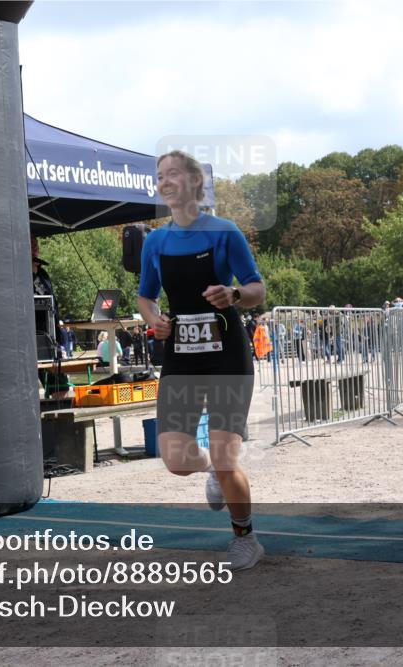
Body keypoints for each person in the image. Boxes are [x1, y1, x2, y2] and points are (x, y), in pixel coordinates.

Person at [138, 150, 266, 571]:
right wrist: (153, 319)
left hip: (227, 354)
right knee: (176, 461)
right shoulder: (155, 241)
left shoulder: (225, 232)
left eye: (173, 173)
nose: (165, 181)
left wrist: (233, 295)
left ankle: (245, 538)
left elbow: (257, 290)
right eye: (160, 176)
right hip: (181, 356)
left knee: (229, 457)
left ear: (197, 183)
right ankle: (210, 468)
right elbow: (146, 296)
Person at [31, 235, 71, 398]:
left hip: (49, 334)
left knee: (60, 387)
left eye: (36, 245)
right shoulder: (18, 272)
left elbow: (51, 300)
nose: (35, 249)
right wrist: (32, 273)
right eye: (31, 245)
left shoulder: (44, 274)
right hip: (32, 335)